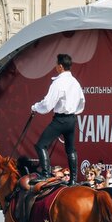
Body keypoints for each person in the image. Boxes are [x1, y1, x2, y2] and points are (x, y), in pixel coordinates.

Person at [31, 53, 85, 183]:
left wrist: (35, 107)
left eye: (56, 64)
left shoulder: (59, 82)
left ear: (60, 66)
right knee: (70, 149)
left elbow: (47, 104)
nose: (55, 66)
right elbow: (82, 101)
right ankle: (73, 180)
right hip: (72, 119)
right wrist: (73, 111)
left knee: (41, 145)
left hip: (60, 119)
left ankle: (46, 174)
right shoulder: (75, 82)